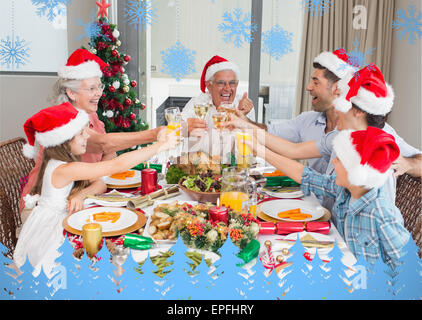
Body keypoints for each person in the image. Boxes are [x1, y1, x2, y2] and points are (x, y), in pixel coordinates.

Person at [14, 103, 178, 278]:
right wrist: (159, 146)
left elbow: (100, 184)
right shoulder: (64, 169)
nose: (87, 137)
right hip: (52, 229)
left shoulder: (65, 163)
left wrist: (80, 193)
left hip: (64, 219)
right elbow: (116, 165)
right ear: (64, 140)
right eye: (81, 133)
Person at [224, 64, 422, 210]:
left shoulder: (377, 147)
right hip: (329, 218)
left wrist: (409, 164)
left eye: (341, 101)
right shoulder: (341, 135)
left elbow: (325, 184)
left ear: (359, 112)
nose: (335, 106)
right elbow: (294, 151)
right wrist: (245, 125)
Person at [20, 48, 165, 215]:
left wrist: (103, 161)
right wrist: (156, 135)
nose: (99, 93)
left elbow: (108, 153)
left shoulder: (91, 115)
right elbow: (104, 144)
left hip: (77, 195)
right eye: (91, 89)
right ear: (71, 93)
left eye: (99, 86)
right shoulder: (64, 124)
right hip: (40, 206)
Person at [249, 126, 410, 269]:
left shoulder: (382, 212)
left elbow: (409, 272)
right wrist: (261, 151)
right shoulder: (344, 189)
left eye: (339, 159)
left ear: (354, 170)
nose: (333, 161)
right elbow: (305, 175)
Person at [235, 49, 358, 173]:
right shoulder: (310, 122)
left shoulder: (352, 133)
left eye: (316, 82)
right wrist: (244, 122)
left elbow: (325, 184)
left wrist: (261, 150)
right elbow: (289, 147)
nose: (308, 87)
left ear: (337, 87)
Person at [181, 55, 256, 135]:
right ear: (209, 86)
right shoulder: (198, 103)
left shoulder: (244, 105)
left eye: (232, 83)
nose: (227, 88)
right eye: (221, 83)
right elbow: (176, 127)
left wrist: (242, 118)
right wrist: (185, 128)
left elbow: (255, 138)